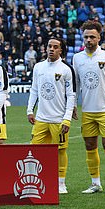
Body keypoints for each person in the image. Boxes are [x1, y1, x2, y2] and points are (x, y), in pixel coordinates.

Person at [73, 20, 105, 194]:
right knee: (89, 145)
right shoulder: (77, 58)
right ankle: (95, 183)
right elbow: (76, 84)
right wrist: (73, 105)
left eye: (92, 37)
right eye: (86, 37)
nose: (88, 40)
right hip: (87, 110)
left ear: (99, 38)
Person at [27, 37, 76, 194]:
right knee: (34, 150)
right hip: (41, 118)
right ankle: (41, 178)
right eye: (49, 46)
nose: (51, 49)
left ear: (61, 50)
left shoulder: (66, 69)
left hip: (58, 120)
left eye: (55, 47)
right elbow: (34, 89)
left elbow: (71, 96)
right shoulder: (38, 67)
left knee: (61, 150)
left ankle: (61, 182)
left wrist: (67, 119)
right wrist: (29, 110)